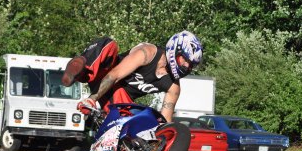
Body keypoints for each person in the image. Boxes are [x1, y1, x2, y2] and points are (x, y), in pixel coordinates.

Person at [62, 31, 203, 122]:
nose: (186, 66)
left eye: (191, 65)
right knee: (109, 44)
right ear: (175, 49)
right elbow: (114, 75)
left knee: (140, 121)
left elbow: (166, 118)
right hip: (104, 76)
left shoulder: (174, 88)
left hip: (119, 100)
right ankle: (82, 68)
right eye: (184, 59)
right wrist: (91, 99)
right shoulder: (148, 53)